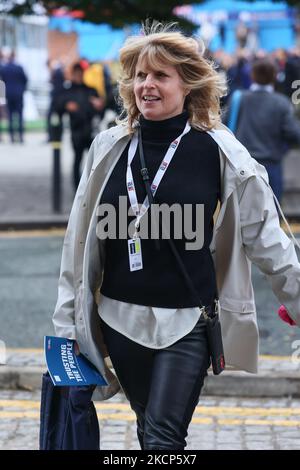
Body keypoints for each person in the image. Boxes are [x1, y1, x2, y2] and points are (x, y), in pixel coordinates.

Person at [53, 23, 300, 450]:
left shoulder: (220, 151)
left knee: (163, 440)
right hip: (118, 319)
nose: (146, 84)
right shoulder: (108, 147)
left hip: (187, 323)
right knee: (148, 427)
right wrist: (66, 327)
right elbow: (76, 247)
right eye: (139, 76)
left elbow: (265, 236)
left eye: (160, 75)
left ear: (188, 85)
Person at [225, 58, 300, 202]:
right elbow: (294, 134)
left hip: (242, 165)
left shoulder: (238, 99)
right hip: (271, 166)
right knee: (271, 216)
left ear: (252, 75)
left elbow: (225, 128)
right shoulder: (281, 103)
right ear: (275, 76)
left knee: (242, 216)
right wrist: (282, 149)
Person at [55, 62, 104, 189]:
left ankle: (93, 187)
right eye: (75, 73)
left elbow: (100, 109)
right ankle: (77, 188)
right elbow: (58, 106)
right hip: (76, 130)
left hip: (91, 130)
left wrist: (99, 105)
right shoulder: (67, 91)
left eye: (80, 73)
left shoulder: (90, 90)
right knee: (77, 160)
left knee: (94, 161)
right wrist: (66, 106)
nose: (78, 76)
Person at [0, 51, 27, 143]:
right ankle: (20, 137)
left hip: (9, 94)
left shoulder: (4, 68)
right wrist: (22, 90)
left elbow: (3, 81)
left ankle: (11, 137)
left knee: (10, 116)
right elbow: (25, 80)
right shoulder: (19, 68)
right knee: (20, 116)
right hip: (19, 94)